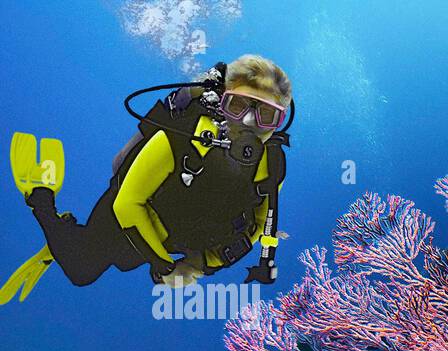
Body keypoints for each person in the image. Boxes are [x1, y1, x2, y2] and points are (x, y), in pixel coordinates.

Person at [2, 54, 292, 304]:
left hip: (168, 233)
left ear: (281, 122)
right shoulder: (182, 137)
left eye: (267, 114)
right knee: (82, 271)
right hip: (126, 217)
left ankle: (68, 238)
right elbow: (128, 203)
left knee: (125, 262)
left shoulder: (272, 164)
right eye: (239, 106)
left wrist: (202, 264)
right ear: (221, 103)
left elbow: (259, 224)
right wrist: (166, 267)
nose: (250, 123)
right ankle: (42, 200)